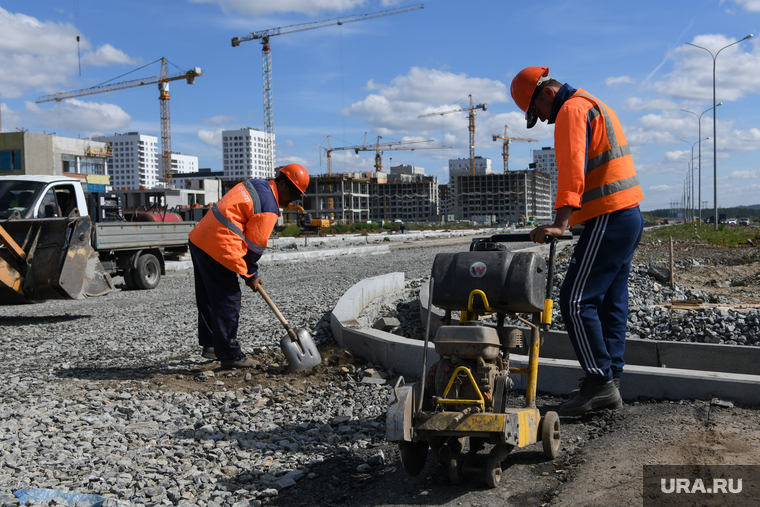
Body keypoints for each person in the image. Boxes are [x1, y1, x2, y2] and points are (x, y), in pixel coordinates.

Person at [510, 66, 644, 416]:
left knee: (573, 301)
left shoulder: (571, 110)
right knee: (609, 302)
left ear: (547, 94)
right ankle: (609, 380)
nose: (544, 120)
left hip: (609, 215)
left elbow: (572, 166)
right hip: (628, 215)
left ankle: (600, 383)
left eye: (537, 112)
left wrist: (560, 223)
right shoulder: (595, 102)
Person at [188, 164, 310, 369]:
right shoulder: (269, 207)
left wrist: (249, 273)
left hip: (200, 238)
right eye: (294, 193)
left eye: (298, 196)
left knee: (209, 296)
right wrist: (251, 274)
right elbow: (254, 246)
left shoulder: (256, 185)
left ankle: (211, 345)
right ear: (281, 183)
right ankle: (229, 354)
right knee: (229, 299)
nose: (294, 200)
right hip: (219, 243)